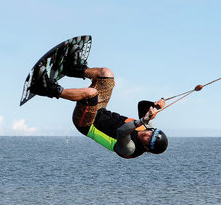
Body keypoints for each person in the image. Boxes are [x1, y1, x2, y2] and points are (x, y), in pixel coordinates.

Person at [30, 59, 168, 158]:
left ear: (147, 148)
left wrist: (143, 120)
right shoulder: (147, 127)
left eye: (150, 139)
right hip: (100, 109)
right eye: (153, 133)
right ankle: (74, 69)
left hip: (86, 124)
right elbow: (141, 104)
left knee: (90, 94)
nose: (148, 134)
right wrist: (155, 106)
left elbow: (122, 132)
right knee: (106, 74)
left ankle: (45, 89)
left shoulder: (131, 149)